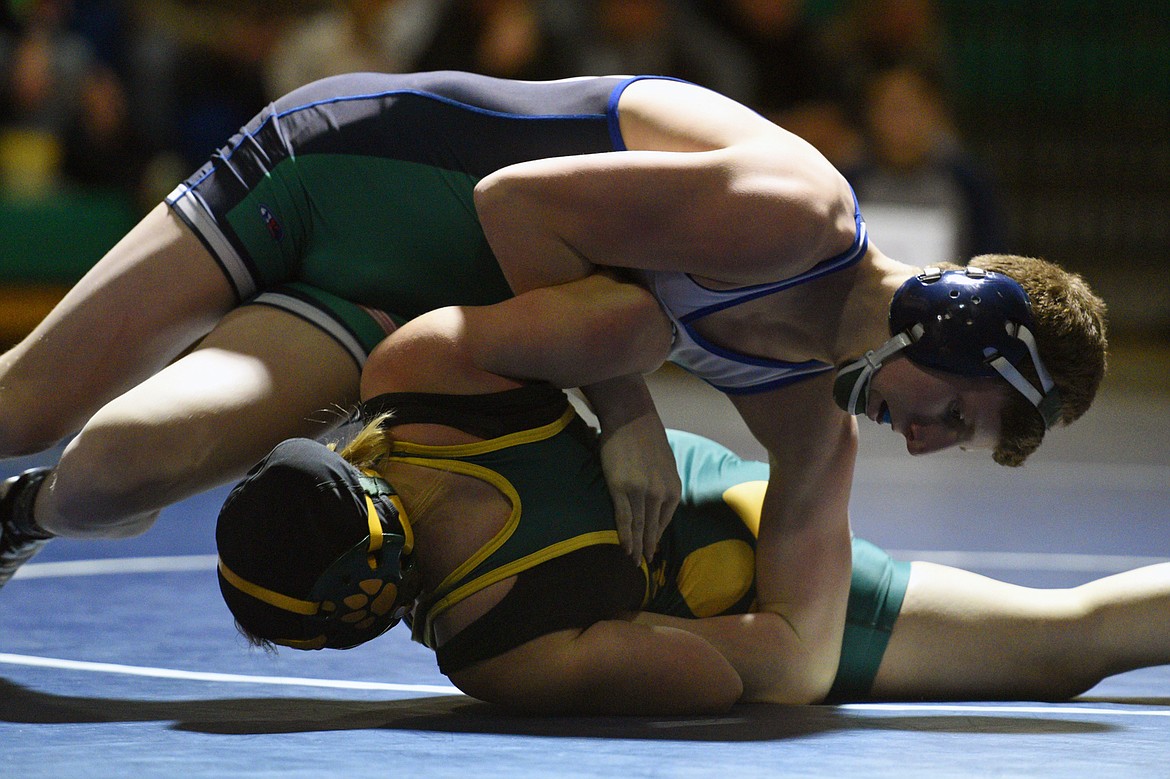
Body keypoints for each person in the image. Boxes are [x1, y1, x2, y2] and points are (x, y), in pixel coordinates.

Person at [2, 73, 1107, 704]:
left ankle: (19, 514)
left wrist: (640, 649)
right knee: (24, 407)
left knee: (112, 471)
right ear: (959, 324)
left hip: (390, 326)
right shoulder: (796, 214)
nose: (928, 442)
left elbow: (803, 656)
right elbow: (512, 204)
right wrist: (625, 410)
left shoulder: (807, 418)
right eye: (957, 413)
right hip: (339, 180)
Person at [215, 305, 1165, 715]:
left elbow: (731, 676)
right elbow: (625, 312)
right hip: (750, 485)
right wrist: (625, 407)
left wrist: (796, 634)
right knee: (1066, 638)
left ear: (345, 612)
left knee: (1064, 644)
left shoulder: (496, 649)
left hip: (788, 596)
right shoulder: (414, 382)